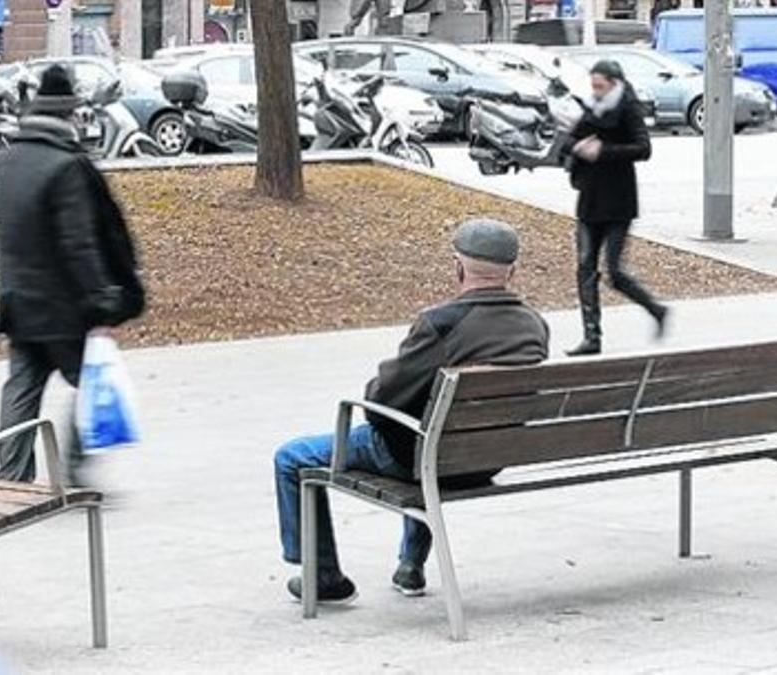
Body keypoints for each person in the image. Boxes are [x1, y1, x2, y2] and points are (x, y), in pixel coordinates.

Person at [274, 219, 549, 603]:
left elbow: (382, 397)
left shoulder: (441, 324)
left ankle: (322, 576)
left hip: (430, 458)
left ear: (457, 268)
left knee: (292, 457)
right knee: (433, 435)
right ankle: (410, 566)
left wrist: (375, 400)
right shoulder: (534, 325)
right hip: (485, 459)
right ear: (513, 271)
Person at [0, 64, 145, 485]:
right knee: (89, 383)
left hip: (19, 302)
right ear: (67, 116)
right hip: (64, 310)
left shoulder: (3, 163)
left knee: (21, 390)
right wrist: (101, 303)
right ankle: (74, 470)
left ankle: (13, 475)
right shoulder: (67, 167)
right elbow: (80, 243)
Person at [565, 60, 668, 358]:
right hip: (589, 198)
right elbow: (571, 139)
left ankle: (656, 309)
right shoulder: (590, 107)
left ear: (614, 83)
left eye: (600, 86)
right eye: (593, 85)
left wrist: (603, 151)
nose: (595, 91)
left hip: (619, 201)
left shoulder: (628, 108)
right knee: (585, 268)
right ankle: (591, 336)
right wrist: (576, 146)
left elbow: (643, 148)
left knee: (614, 271)